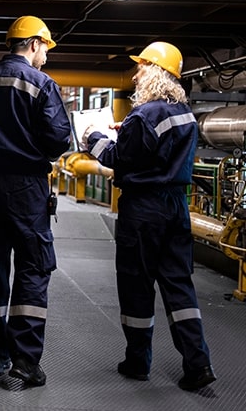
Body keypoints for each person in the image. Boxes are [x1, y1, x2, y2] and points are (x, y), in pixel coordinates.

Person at [82, 41, 216, 392]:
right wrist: (126, 131)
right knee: (179, 286)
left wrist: (92, 137)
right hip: (176, 207)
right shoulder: (184, 113)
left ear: (157, 73)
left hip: (143, 210)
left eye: (142, 67)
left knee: (136, 284)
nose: (136, 73)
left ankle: (138, 361)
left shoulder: (145, 115)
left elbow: (118, 159)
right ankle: (198, 364)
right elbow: (154, 149)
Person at [0, 15, 71, 387]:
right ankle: (25, 360)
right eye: (45, 50)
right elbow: (59, 140)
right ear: (35, 44)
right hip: (27, 188)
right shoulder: (41, 84)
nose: (45, 58)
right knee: (33, 268)